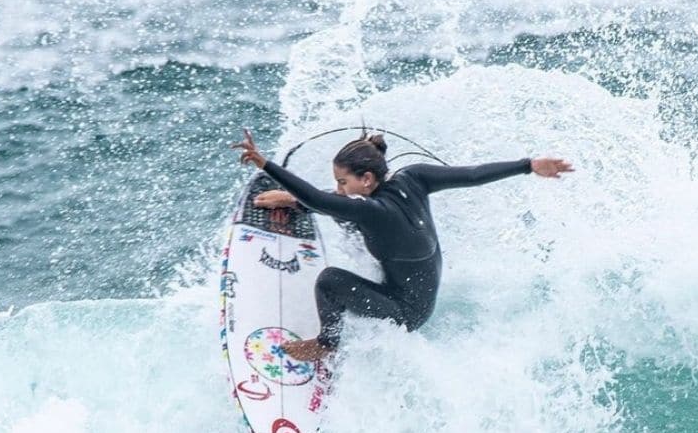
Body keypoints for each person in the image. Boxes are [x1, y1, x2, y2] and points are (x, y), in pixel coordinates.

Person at [231, 129, 574, 361]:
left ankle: (326, 344)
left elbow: (321, 200)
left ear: (367, 179)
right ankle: (296, 202)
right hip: (421, 297)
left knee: (329, 280)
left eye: (343, 181)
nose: (338, 188)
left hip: (405, 313)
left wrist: (266, 165)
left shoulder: (373, 211)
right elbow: (472, 175)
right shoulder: (414, 176)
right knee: (344, 214)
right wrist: (528, 165)